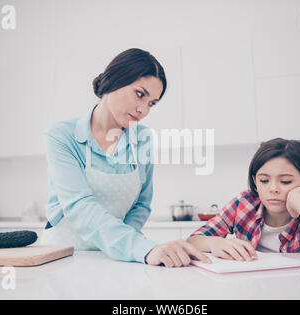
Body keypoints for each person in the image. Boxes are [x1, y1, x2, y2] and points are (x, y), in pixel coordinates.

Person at [40, 48, 210, 267]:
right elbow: (80, 206)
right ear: (114, 81)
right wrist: (143, 249)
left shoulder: (143, 139)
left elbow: (141, 204)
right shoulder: (62, 135)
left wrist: (124, 247)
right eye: (140, 94)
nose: (143, 110)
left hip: (118, 256)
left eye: (152, 103)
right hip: (64, 257)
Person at [187, 138, 300, 260]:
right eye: (264, 180)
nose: (273, 188)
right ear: (255, 181)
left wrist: (299, 200)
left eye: (286, 181)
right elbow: (193, 241)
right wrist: (214, 243)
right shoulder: (244, 203)